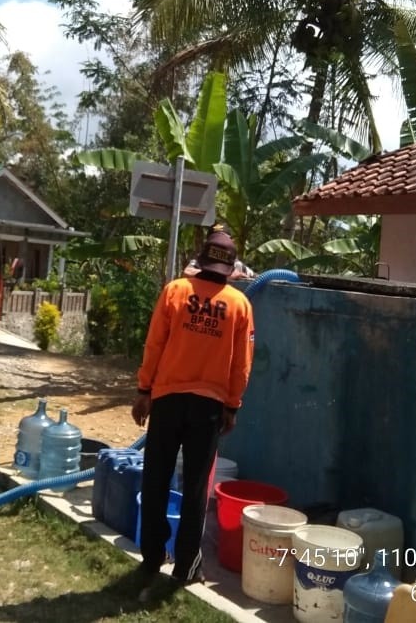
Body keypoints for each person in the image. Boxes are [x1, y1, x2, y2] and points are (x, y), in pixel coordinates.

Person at [131, 227, 256, 602]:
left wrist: (143, 391)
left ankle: (152, 558)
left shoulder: (175, 291)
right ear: (230, 268)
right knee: (195, 491)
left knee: (156, 480)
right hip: (209, 408)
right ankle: (187, 567)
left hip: (167, 399)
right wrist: (232, 405)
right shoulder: (239, 305)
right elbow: (242, 365)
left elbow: (155, 344)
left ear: (201, 260)